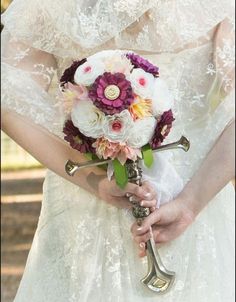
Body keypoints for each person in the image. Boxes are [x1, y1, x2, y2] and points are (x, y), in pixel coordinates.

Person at [1, 0, 235, 301]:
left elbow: (8, 101)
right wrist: (190, 203)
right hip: (180, 202)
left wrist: (95, 179)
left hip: (103, 209)